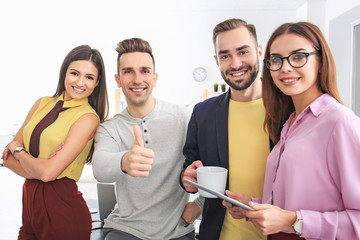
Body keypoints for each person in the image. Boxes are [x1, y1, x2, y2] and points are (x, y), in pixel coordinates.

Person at [224, 22, 360, 240]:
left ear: (321, 61)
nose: (285, 68)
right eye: (276, 60)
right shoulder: (289, 123)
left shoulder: (339, 122)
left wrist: (292, 221)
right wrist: (254, 206)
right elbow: (290, 206)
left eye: (298, 57)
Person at [92, 37, 202, 240]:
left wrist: (200, 204)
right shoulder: (110, 128)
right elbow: (99, 167)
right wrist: (124, 161)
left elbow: (214, 163)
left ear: (154, 77)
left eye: (144, 71)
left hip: (177, 231)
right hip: (125, 230)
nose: (137, 79)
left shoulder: (183, 119)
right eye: (128, 72)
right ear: (118, 80)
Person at [1, 45, 109, 240]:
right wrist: (40, 167)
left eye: (89, 77)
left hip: (63, 210)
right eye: (75, 73)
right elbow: (7, 159)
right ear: (64, 72)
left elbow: (46, 172)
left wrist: (19, 152)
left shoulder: (87, 118)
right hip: (30, 208)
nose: (80, 82)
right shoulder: (42, 103)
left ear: (97, 82)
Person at [180, 18, 271, 240]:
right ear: (217, 61)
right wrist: (186, 178)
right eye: (225, 56)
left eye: (243, 52)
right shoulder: (203, 113)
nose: (236, 64)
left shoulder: (287, 109)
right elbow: (189, 168)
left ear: (259, 51)